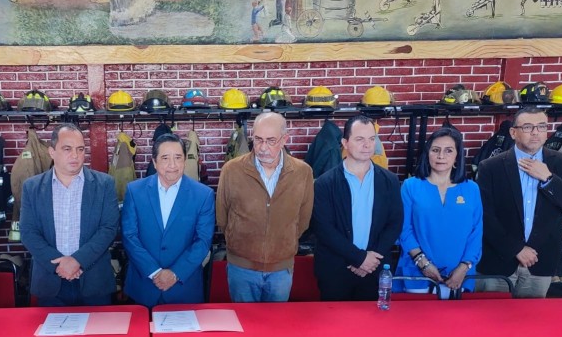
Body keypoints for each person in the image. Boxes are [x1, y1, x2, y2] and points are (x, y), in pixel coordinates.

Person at [216, 112, 314, 301]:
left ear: (284, 139)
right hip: (241, 268)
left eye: (271, 141)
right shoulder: (232, 170)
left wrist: (283, 242)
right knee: (243, 318)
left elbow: (303, 219)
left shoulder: (303, 173)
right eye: (258, 139)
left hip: (281, 270)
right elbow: (222, 216)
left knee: (276, 320)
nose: (262, 148)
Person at [20, 123, 119, 306]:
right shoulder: (32, 187)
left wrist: (78, 261)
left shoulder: (104, 184)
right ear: (52, 152)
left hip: (94, 281)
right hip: (51, 281)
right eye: (67, 149)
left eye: (80, 149)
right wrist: (60, 265)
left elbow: (109, 229)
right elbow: (28, 232)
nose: (75, 155)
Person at [476, 106, 562, 297]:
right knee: (490, 314)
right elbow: (484, 215)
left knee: (531, 316)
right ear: (513, 132)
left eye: (541, 126)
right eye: (527, 127)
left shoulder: (561, 163)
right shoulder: (490, 167)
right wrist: (515, 249)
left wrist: (548, 178)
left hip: (539, 262)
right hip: (498, 260)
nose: (535, 132)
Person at [312, 114, 403, 301]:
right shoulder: (324, 183)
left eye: (371, 139)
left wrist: (370, 260)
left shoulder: (390, 181)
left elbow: (394, 223)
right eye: (360, 139)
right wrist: (359, 258)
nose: (367, 145)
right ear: (345, 143)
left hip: (374, 269)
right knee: (334, 320)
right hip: (336, 271)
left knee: (372, 320)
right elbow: (324, 229)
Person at [121, 133, 215, 308]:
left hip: (184, 288)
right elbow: (129, 236)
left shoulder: (203, 195)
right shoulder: (135, 191)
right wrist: (154, 272)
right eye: (165, 158)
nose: (172, 165)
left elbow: (203, 241)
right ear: (154, 162)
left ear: (185, 160)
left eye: (178, 157)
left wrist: (175, 273)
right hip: (144, 286)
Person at [395, 126, 482, 298]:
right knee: (416, 315)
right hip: (416, 272)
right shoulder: (410, 186)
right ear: (427, 154)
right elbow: (403, 229)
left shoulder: (471, 189)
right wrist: (423, 263)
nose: (441, 156)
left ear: (457, 155)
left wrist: (464, 267)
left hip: (458, 275)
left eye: (448, 150)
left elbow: (476, 231)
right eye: (435, 150)